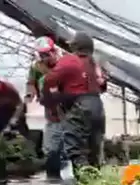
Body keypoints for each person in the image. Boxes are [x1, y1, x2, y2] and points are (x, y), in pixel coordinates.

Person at [42, 31, 108, 173]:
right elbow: (102, 86)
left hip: (80, 106)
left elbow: (49, 80)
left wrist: (53, 97)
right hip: (97, 107)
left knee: (76, 149)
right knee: (94, 150)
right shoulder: (96, 62)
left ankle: (85, 182)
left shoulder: (69, 60)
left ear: (75, 47)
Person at [26, 36, 64, 179]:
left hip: (68, 113)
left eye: (47, 54)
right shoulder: (37, 67)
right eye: (41, 55)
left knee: (72, 148)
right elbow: (31, 83)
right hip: (51, 113)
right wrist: (30, 94)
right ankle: (54, 181)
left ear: (54, 51)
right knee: (51, 149)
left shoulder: (64, 64)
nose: (45, 58)